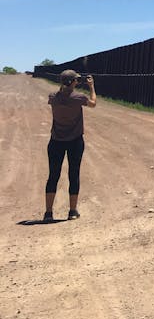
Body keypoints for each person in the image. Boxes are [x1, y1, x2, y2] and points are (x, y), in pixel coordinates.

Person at [45, 69, 96, 221]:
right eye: (76, 80)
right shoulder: (78, 97)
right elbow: (93, 104)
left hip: (56, 141)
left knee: (53, 176)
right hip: (75, 141)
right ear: (72, 82)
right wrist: (92, 87)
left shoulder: (53, 97)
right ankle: (72, 211)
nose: (78, 82)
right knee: (74, 174)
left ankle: (48, 213)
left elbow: (59, 94)